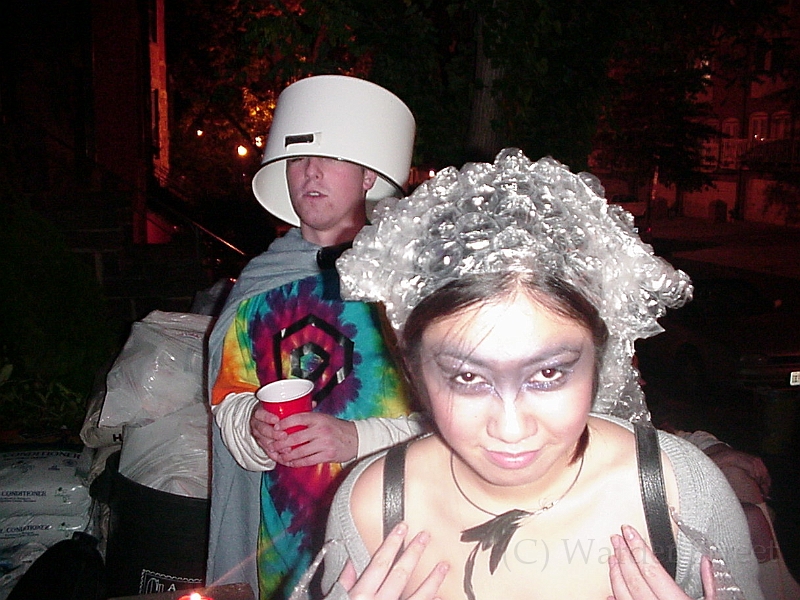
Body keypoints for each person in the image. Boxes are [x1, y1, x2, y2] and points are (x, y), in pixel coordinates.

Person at [299, 149, 764, 599]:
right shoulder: (372, 509)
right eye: (468, 378)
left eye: (548, 373)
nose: (511, 429)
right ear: (414, 368)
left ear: (600, 360)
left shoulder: (678, 495)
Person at [206, 75, 427, 600]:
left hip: (392, 541)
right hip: (282, 551)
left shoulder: (408, 285)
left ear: (369, 175)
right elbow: (228, 399)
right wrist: (251, 425)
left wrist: (356, 439)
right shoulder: (260, 285)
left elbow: (457, 418)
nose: (310, 171)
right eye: (298, 160)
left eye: (331, 158)